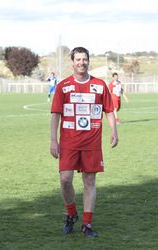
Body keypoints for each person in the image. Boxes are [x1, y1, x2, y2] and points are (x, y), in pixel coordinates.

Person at [50, 47, 119, 238]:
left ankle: (87, 224)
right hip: (68, 141)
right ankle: (71, 214)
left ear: (88, 61)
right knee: (65, 180)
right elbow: (55, 114)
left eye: (84, 59)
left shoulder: (99, 85)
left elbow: (108, 110)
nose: (81, 62)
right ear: (72, 62)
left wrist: (114, 130)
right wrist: (53, 140)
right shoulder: (63, 86)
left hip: (92, 142)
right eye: (78, 59)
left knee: (89, 181)